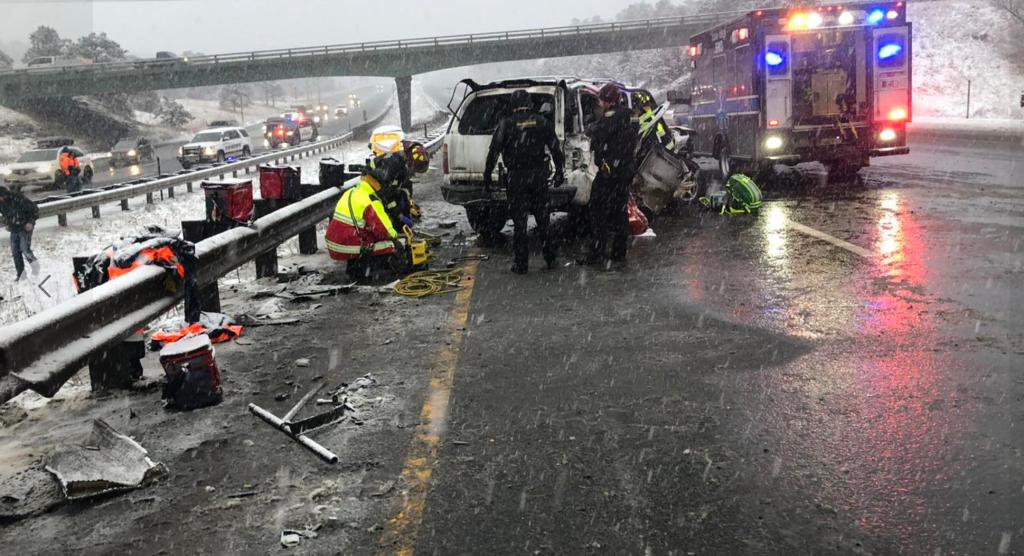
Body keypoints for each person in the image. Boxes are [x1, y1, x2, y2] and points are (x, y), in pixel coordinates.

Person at [483, 89, 565, 274]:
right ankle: (551, 257)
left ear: (513, 104)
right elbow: (555, 149)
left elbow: (493, 152)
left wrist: (487, 177)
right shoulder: (542, 122)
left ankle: (521, 264)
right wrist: (559, 171)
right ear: (529, 103)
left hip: (516, 177)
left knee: (519, 222)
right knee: (543, 218)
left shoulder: (506, 124)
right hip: (538, 176)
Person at [583, 83, 639, 270]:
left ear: (608, 100)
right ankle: (619, 252)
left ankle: (597, 252)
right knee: (620, 210)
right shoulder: (632, 115)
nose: (600, 104)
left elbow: (597, 133)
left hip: (610, 170)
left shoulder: (610, 117)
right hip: (626, 168)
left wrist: (592, 125)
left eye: (601, 100)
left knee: (597, 209)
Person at [324, 161, 401, 280]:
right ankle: (367, 273)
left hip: (333, 243)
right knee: (391, 245)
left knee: (365, 236)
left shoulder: (351, 192)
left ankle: (354, 269)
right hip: (346, 246)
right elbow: (384, 231)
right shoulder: (370, 199)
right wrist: (397, 237)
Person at [0, 187, 40, 281]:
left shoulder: (17, 198)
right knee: (15, 252)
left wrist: (30, 222)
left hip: (25, 226)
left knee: (25, 249)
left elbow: (34, 209)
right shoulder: (1, 203)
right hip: (14, 228)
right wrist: (7, 222)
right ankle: (21, 275)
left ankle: (36, 269)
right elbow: (5, 214)